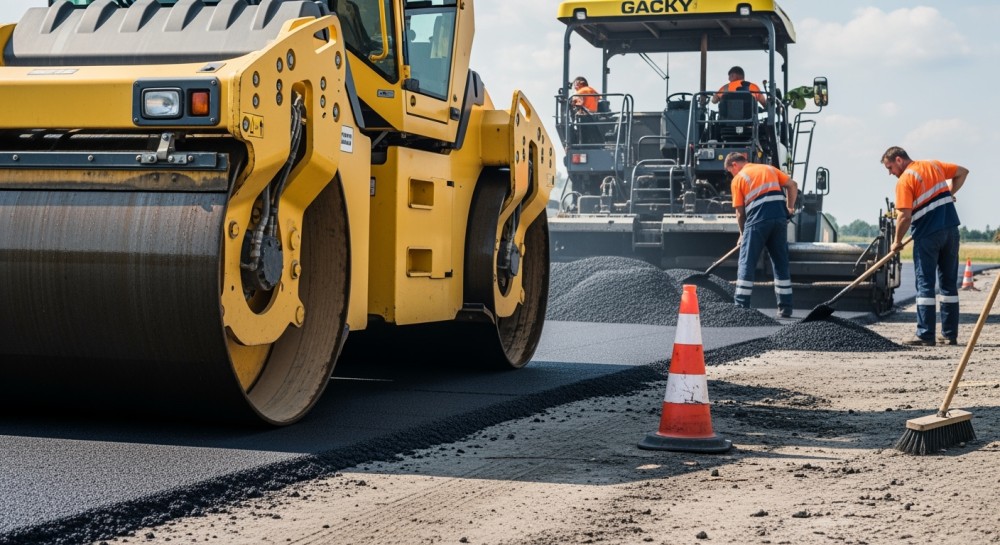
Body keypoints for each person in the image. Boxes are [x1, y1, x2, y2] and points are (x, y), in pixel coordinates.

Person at [882, 146, 969, 346]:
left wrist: (896, 242)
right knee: (949, 284)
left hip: (928, 235)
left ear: (898, 160)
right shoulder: (933, 165)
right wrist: (948, 194)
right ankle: (949, 334)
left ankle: (925, 334)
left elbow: (904, 216)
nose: (890, 173)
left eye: (890, 168)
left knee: (925, 284)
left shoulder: (905, 180)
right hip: (951, 230)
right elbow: (963, 172)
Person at [725, 152, 798, 317]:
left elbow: (740, 213)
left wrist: (742, 234)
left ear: (734, 165)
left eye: (730, 171)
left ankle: (741, 307)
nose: (732, 175)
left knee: (747, 262)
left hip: (757, 221)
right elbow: (793, 185)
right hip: (779, 219)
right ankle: (785, 307)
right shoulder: (769, 168)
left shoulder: (738, 178)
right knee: (780, 263)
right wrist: (790, 208)